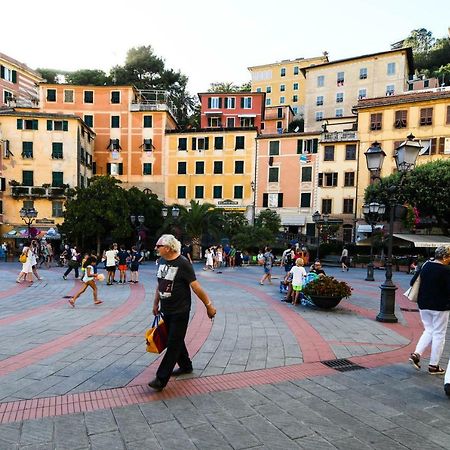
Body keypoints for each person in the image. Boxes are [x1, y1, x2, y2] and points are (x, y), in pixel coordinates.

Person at [148, 234, 216, 391]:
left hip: (180, 310)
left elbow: (196, 287)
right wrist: (155, 303)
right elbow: (160, 284)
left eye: (159, 246)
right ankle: (186, 366)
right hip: (166, 309)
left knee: (172, 344)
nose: (156, 248)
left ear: (168, 247)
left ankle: (161, 378)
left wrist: (208, 305)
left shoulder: (183, 264)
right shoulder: (162, 261)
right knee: (176, 339)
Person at [408, 246, 450, 389]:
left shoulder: (425, 265)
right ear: (445, 257)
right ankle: (434, 365)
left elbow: (412, 281)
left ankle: (416, 354)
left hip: (423, 304)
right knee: (439, 333)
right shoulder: (446, 270)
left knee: (429, 330)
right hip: (440, 306)